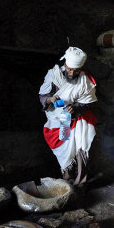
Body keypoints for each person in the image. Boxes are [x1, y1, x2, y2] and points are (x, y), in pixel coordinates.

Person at [39, 46, 98, 186]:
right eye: (69, 69)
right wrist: (50, 100)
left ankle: (81, 180)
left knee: (82, 140)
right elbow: (43, 96)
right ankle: (67, 176)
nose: (72, 73)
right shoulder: (54, 75)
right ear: (65, 64)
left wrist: (75, 108)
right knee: (62, 144)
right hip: (57, 118)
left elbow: (87, 102)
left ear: (80, 69)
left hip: (77, 117)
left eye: (76, 70)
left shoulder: (85, 81)